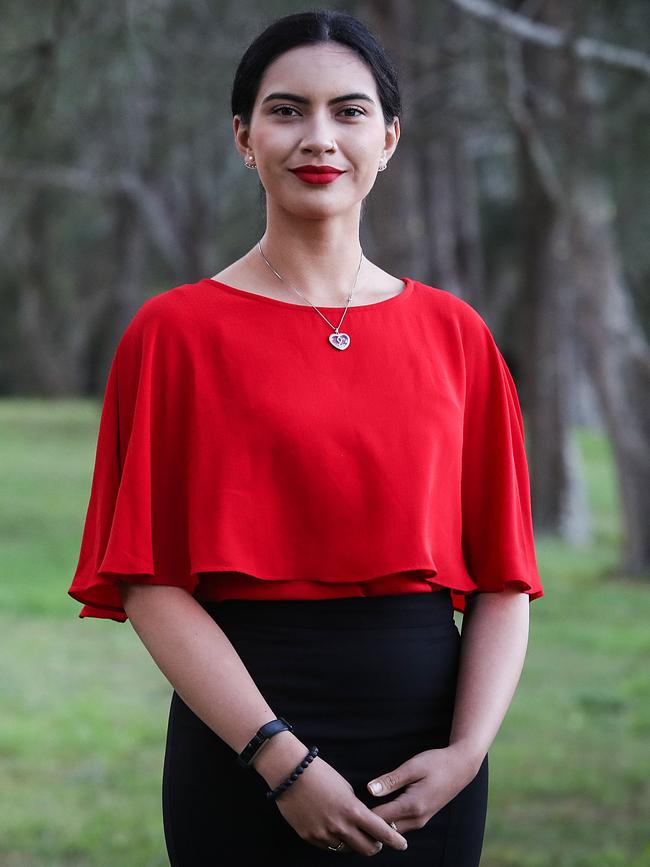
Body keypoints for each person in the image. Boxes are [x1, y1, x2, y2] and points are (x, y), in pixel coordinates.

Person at [67, 9, 544, 865]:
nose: (318, 137)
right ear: (245, 138)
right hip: (243, 745)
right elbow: (145, 579)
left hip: (431, 759)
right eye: (287, 111)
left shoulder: (457, 334)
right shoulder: (174, 333)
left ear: (389, 138)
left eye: (349, 111)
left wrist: (466, 756)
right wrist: (282, 762)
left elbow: (506, 579)